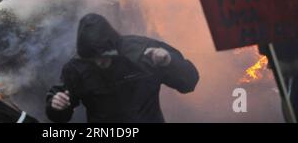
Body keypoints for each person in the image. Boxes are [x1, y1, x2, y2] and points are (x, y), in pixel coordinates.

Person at [46, 13, 200, 123]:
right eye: (94, 60)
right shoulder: (76, 68)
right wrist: (57, 106)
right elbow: (60, 114)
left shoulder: (143, 51)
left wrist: (168, 62)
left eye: (104, 57)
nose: (100, 63)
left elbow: (189, 82)